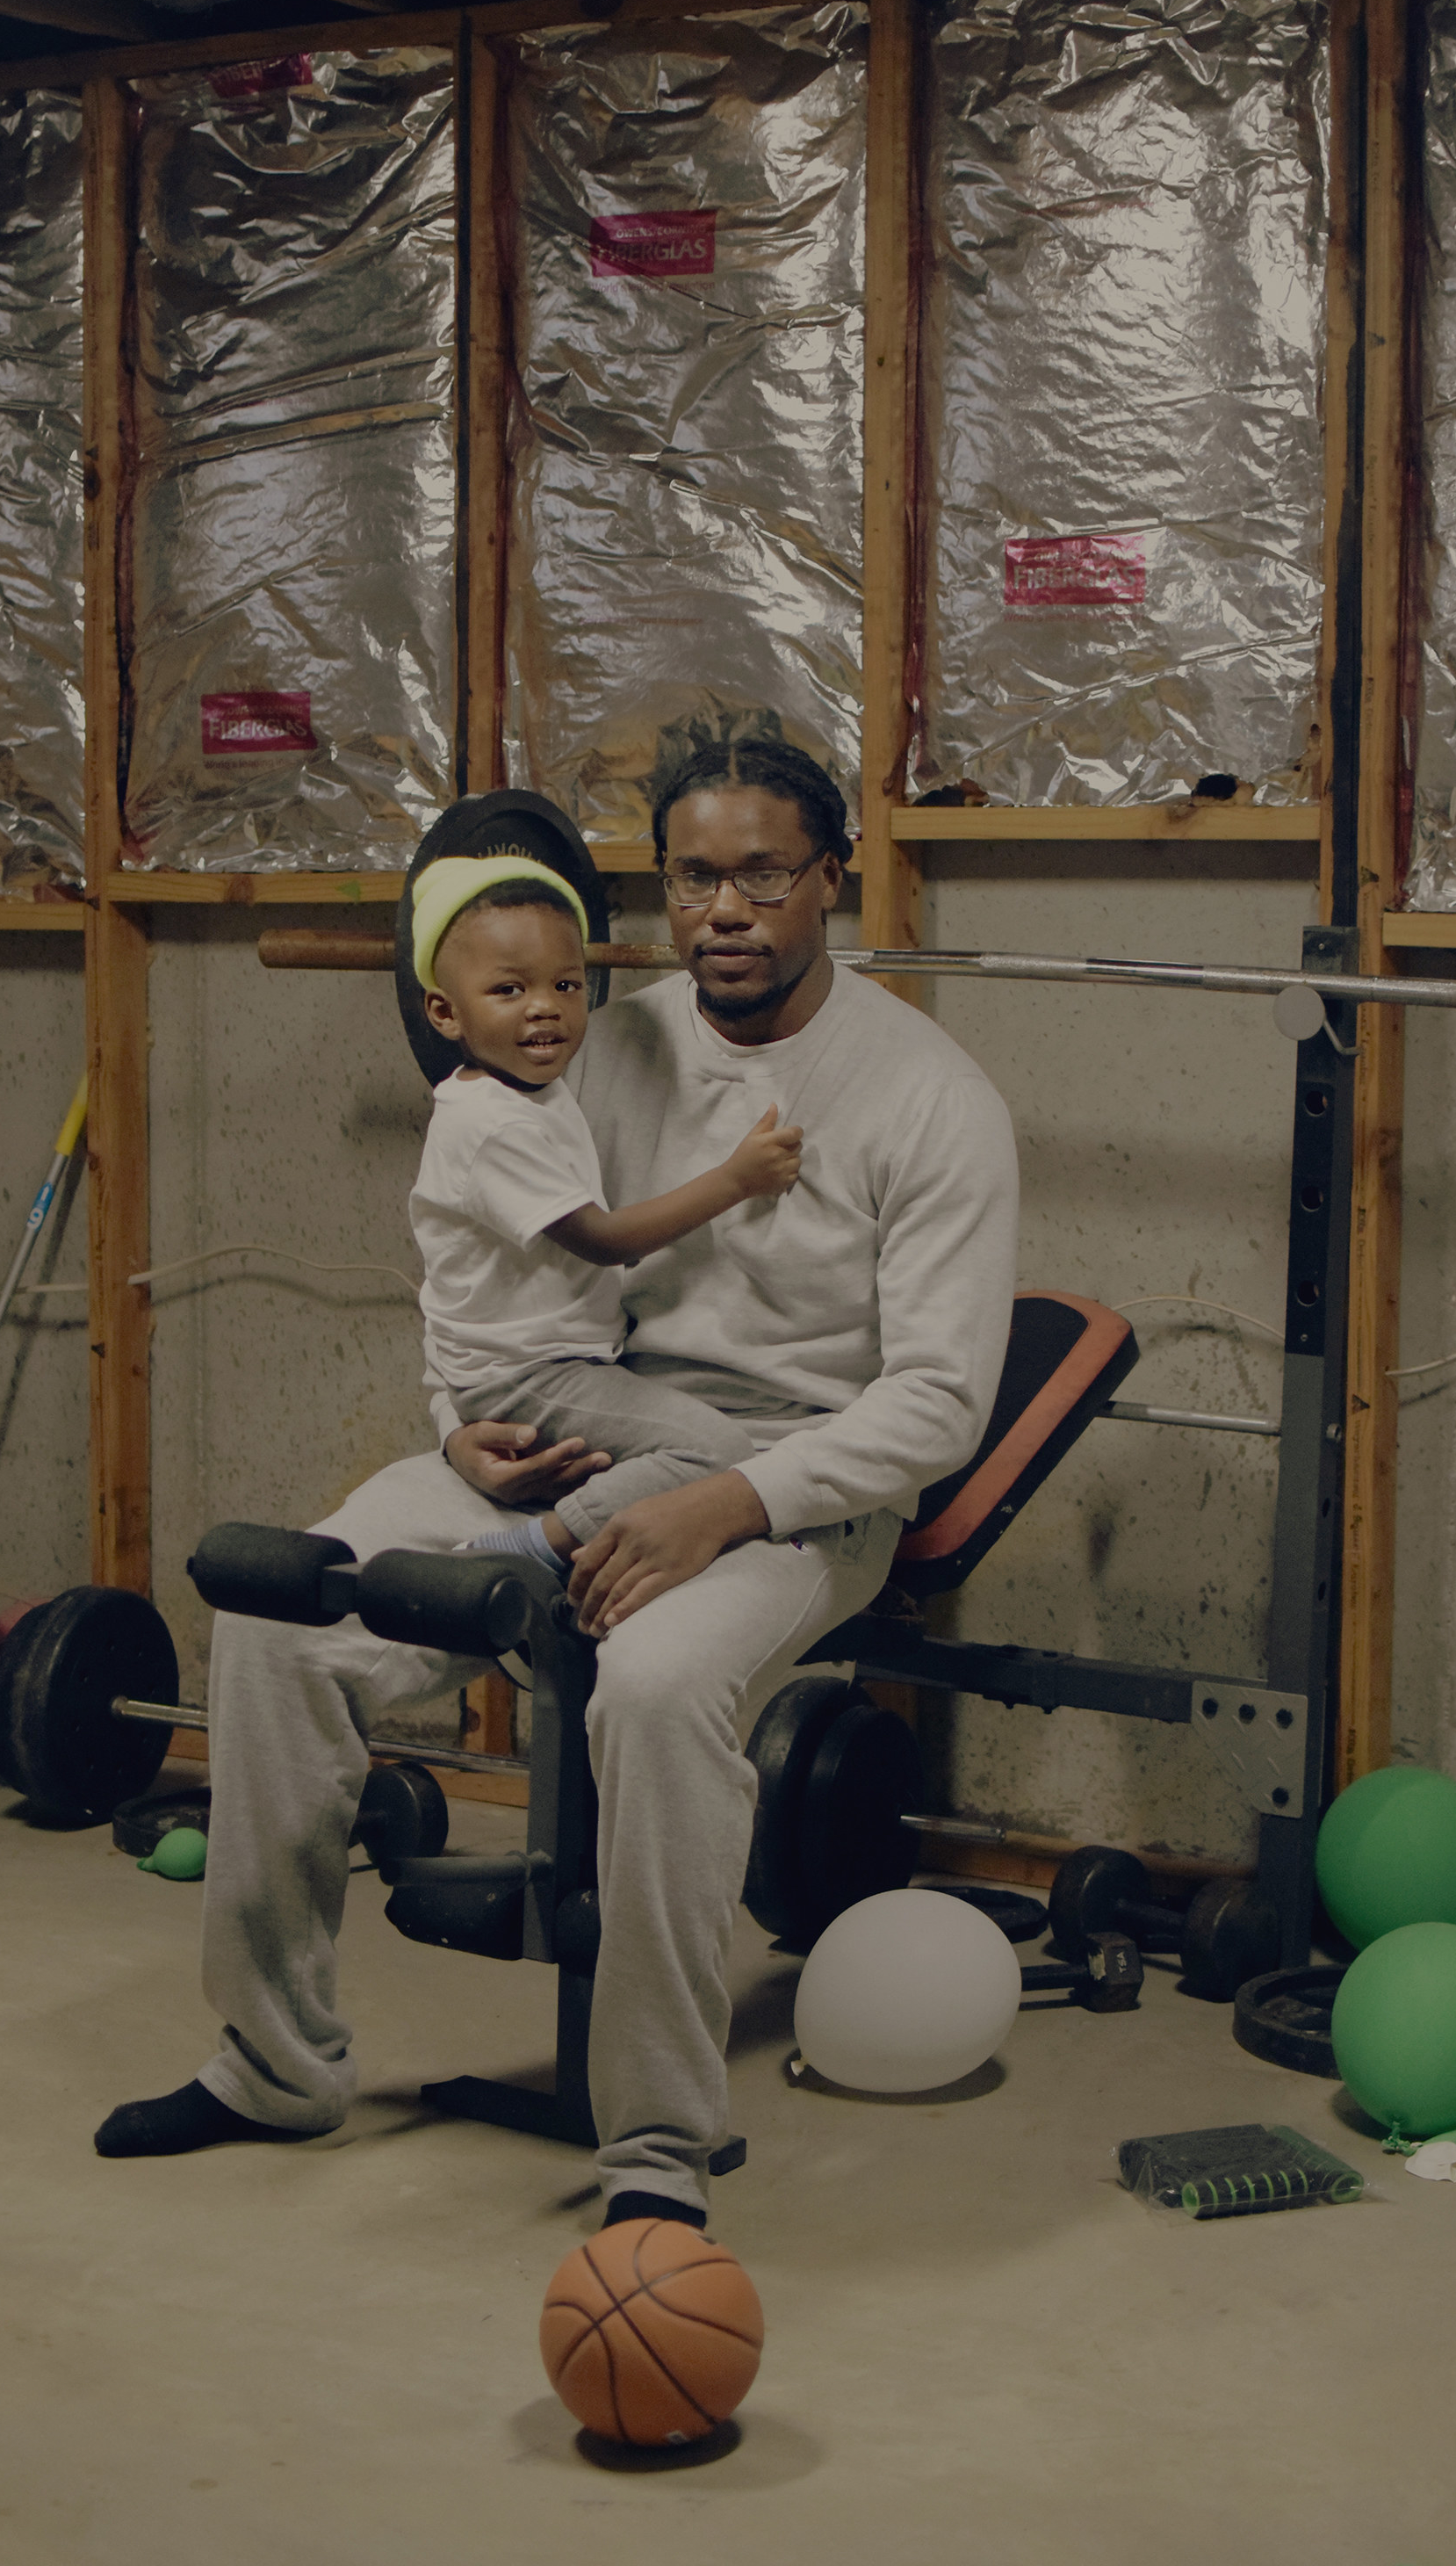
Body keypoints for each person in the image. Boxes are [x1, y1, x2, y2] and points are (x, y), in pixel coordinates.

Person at [95, 739, 1020, 2235]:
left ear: (831, 877)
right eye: (694, 876)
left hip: (792, 1489)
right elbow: (478, 1254)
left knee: (651, 1687)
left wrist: (722, 1505)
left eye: (763, 872)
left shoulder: (931, 1097)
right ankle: (274, 2060)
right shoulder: (595, 1033)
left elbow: (938, 1405)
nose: (726, 908)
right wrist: (457, 1422)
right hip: (571, 1438)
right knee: (281, 1624)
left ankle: (657, 2139)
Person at [406, 850, 803, 1579]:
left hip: (539, 1362)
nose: (544, 1006)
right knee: (715, 1454)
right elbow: (605, 1241)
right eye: (508, 988)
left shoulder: (525, 1091)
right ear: (444, 1011)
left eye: (565, 984)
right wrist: (736, 1180)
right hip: (527, 1375)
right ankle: (543, 1545)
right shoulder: (493, 1124)